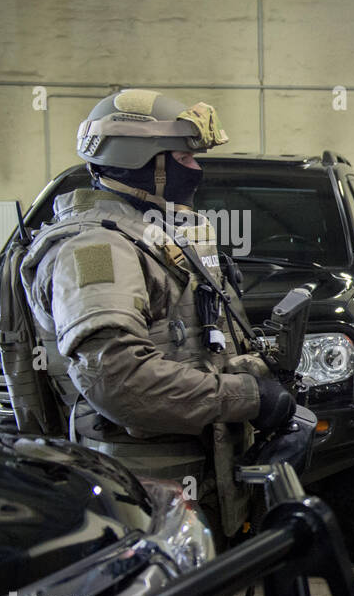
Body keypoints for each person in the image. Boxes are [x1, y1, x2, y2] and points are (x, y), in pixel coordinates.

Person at [18, 89, 294, 542]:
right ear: (142, 161)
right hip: (144, 499)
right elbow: (118, 378)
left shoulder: (151, 231)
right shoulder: (96, 250)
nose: (196, 168)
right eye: (184, 157)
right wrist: (249, 398)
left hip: (190, 481)